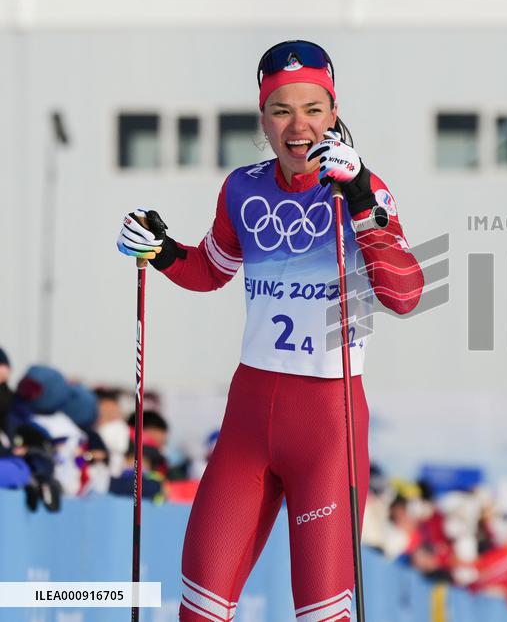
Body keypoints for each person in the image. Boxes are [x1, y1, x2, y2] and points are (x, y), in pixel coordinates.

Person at [115, 39, 424, 622]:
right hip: (249, 417)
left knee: (320, 612)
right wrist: (159, 250)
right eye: (282, 110)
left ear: (333, 113)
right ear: (263, 118)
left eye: (313, 109)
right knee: (200, 602)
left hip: (328, 427)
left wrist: (360, 198)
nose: (298, 126)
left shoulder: (363, 188)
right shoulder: (241, 188)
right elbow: (211, 269)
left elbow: (405, 295)